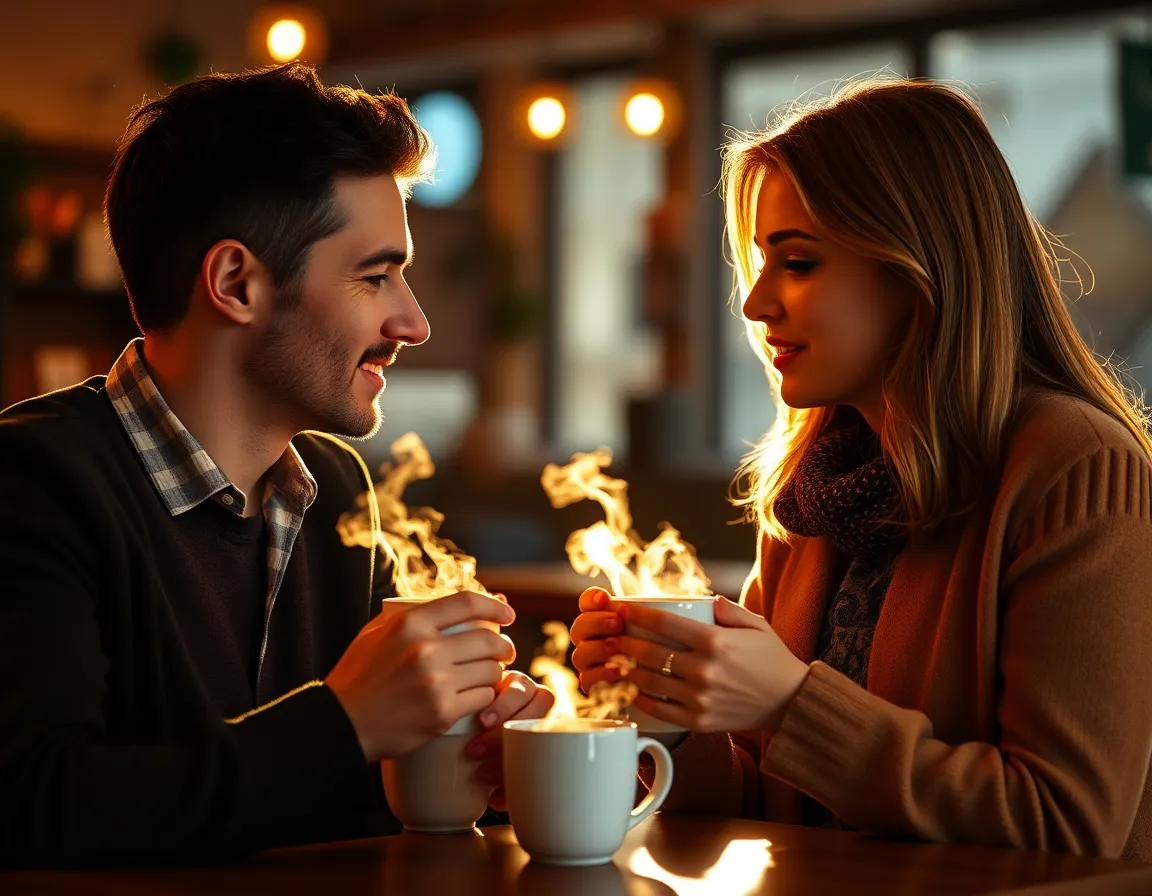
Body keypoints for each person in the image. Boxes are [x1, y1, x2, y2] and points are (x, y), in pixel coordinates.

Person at [571, 77, 1152, 860]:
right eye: (759, 263)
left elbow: (1068, 827)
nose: (755, 303)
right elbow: (769, 812)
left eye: (799, 263)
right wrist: (670, 712)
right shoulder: (815, 492)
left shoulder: (1077, 468)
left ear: (916, 270)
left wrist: (789, 701)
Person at [0, 63, 552, 867]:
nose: (415, 321)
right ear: (236, 282)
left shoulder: (334, 491)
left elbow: (318, 807)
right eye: (376, 276)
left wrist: (460, 764)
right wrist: (348, 722)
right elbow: (31, 808)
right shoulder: (33, 482)